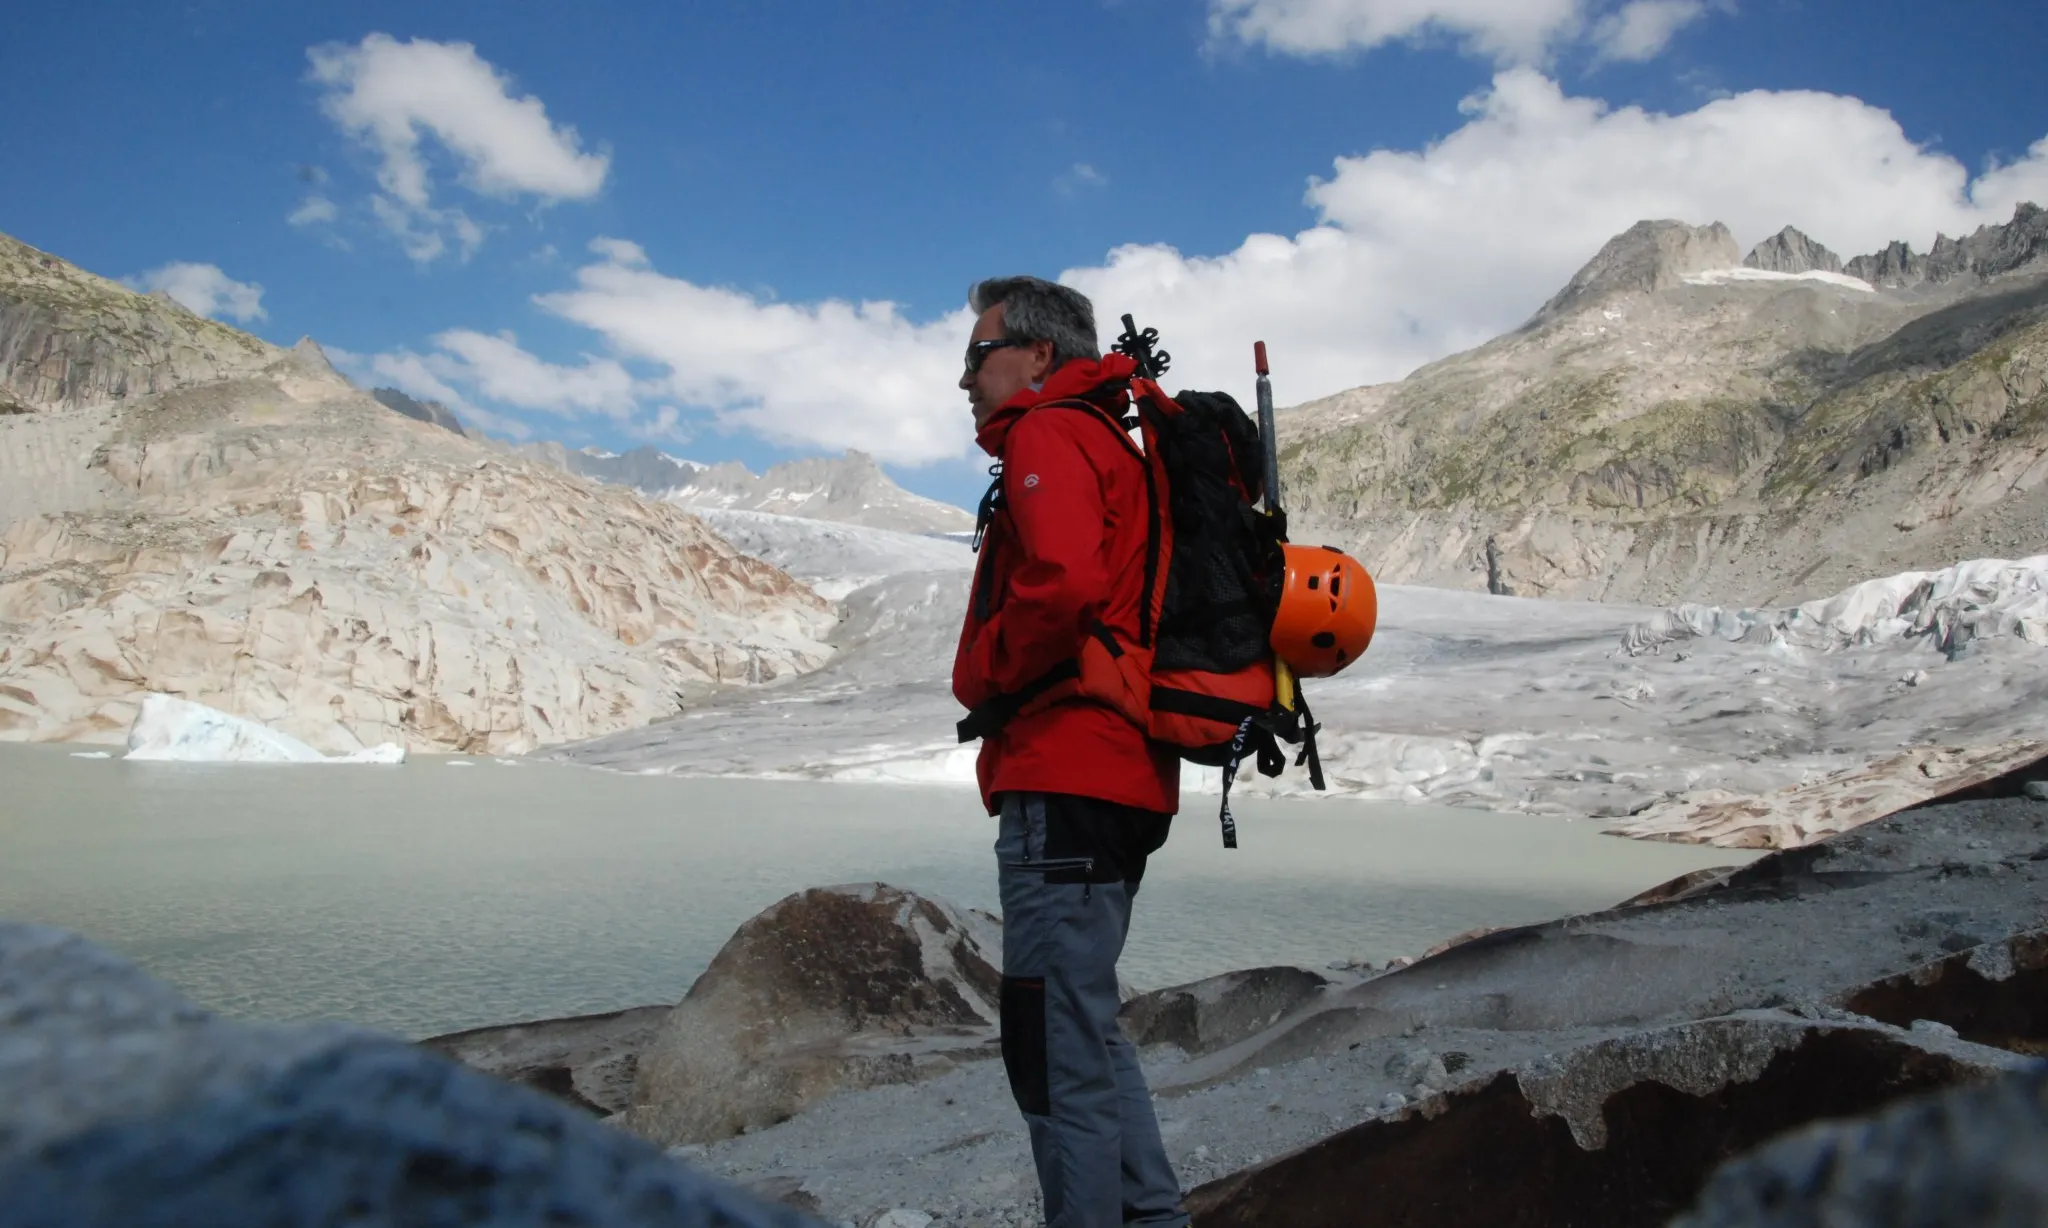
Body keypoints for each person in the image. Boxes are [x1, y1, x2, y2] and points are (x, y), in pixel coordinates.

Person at [952, 276, 1190, 1228]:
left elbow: (1059, 584)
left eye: (978, 355)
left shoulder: (1050, 434)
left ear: (1039, 355)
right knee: (1084, 1031)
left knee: (1050, 1049)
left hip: (1065, 770)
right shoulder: (1109, 441)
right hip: (1120, 778)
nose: (964, 379)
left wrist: (988, 678)